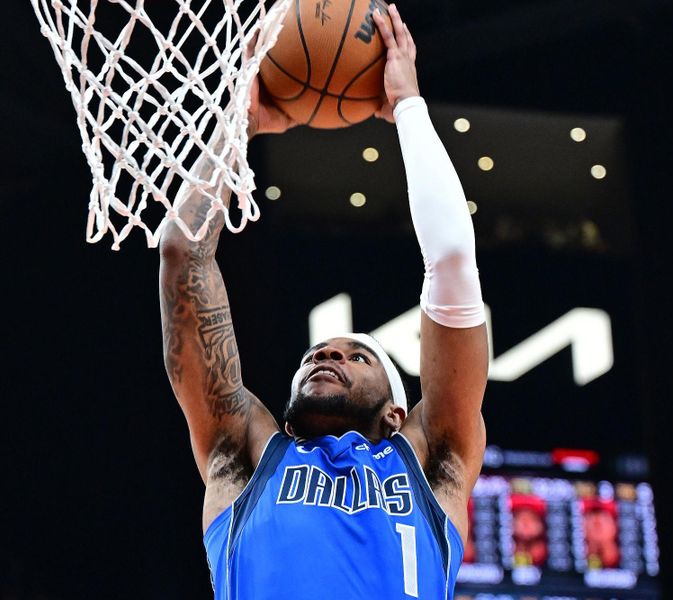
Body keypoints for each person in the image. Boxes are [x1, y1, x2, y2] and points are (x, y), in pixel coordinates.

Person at [158, 5, 488, 599]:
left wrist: (408, 107)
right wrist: (238, 123)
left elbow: (453, 263)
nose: (325, 356)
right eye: (316, 353)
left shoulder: (433, 462)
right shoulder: (246, 456)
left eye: (356, 357)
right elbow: (183, 253)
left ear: (396, 413)